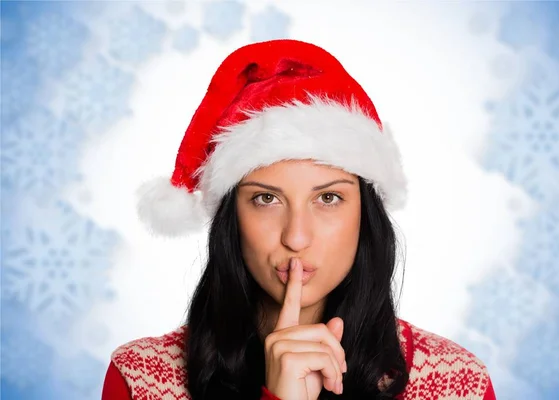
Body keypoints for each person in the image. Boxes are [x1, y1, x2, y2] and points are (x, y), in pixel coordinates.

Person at [101, 39, 496, 400]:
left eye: (328, 197)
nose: (296, 237)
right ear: (230, 218)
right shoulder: (141, 379)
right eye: (266, 198)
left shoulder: (458, 384)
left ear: (366, 215)